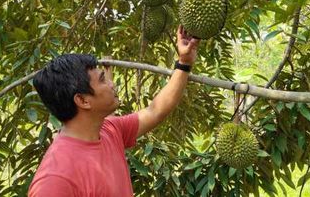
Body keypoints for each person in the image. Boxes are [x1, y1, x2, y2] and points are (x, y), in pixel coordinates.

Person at [28, 25, 200, 196]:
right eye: (103, 80)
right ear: (82, 100)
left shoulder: (109, 130)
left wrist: (184, 62)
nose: (112, 83)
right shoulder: (55, 180)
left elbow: (155, 111)